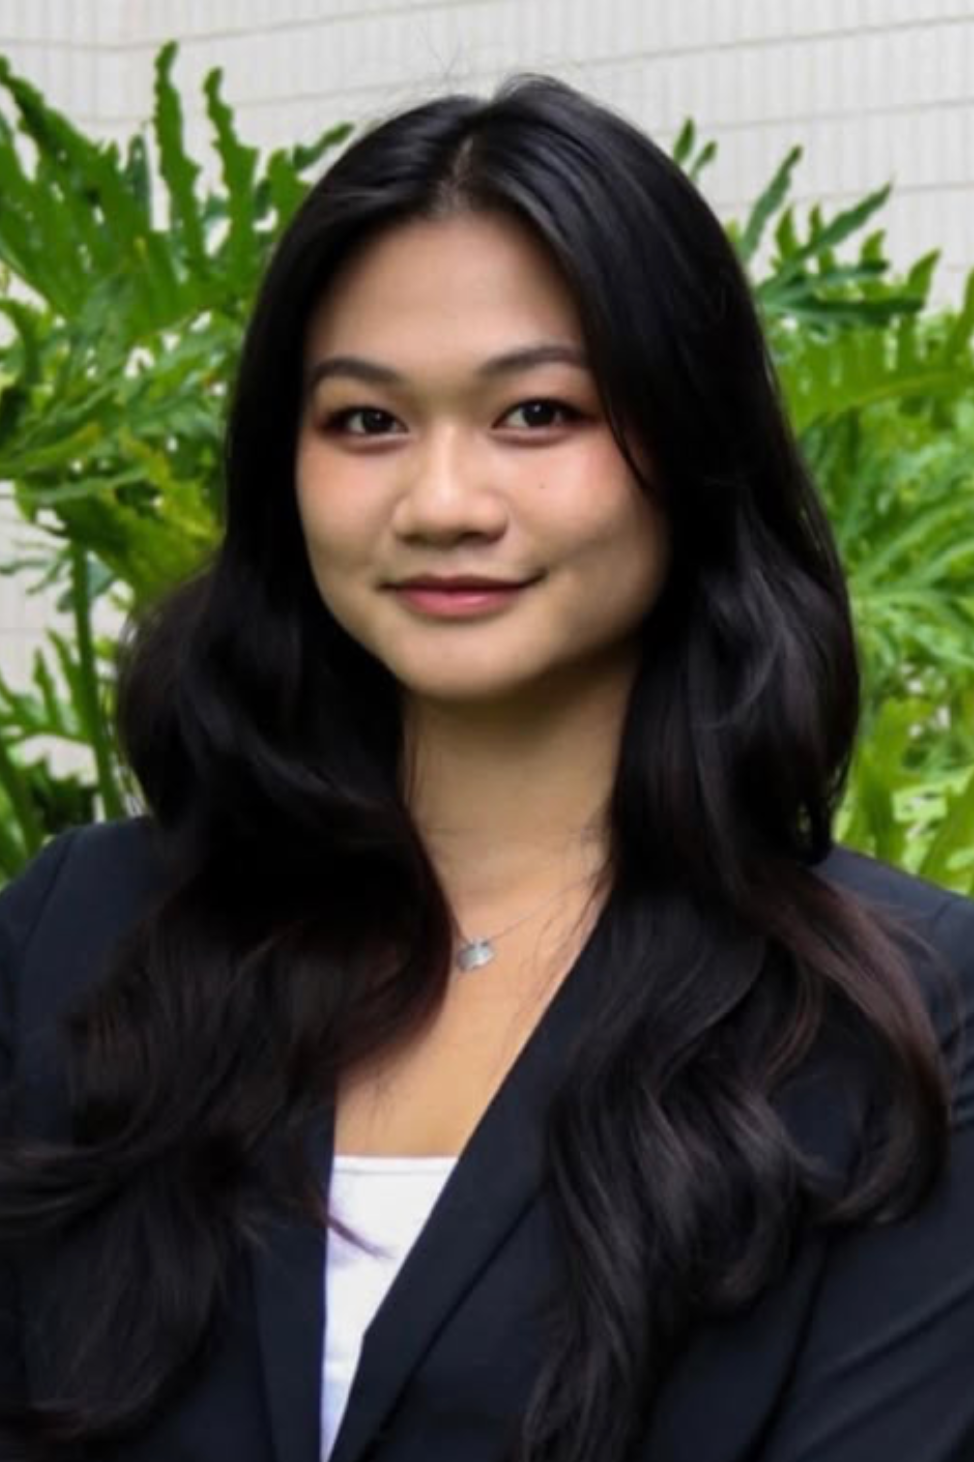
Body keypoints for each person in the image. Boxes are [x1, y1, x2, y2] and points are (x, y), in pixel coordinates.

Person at [1, 73, 973, 1462]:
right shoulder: (76, 937)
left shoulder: (901, 1016)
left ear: (688, 446)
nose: (441, 503)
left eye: (537, 414)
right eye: (365, 422)